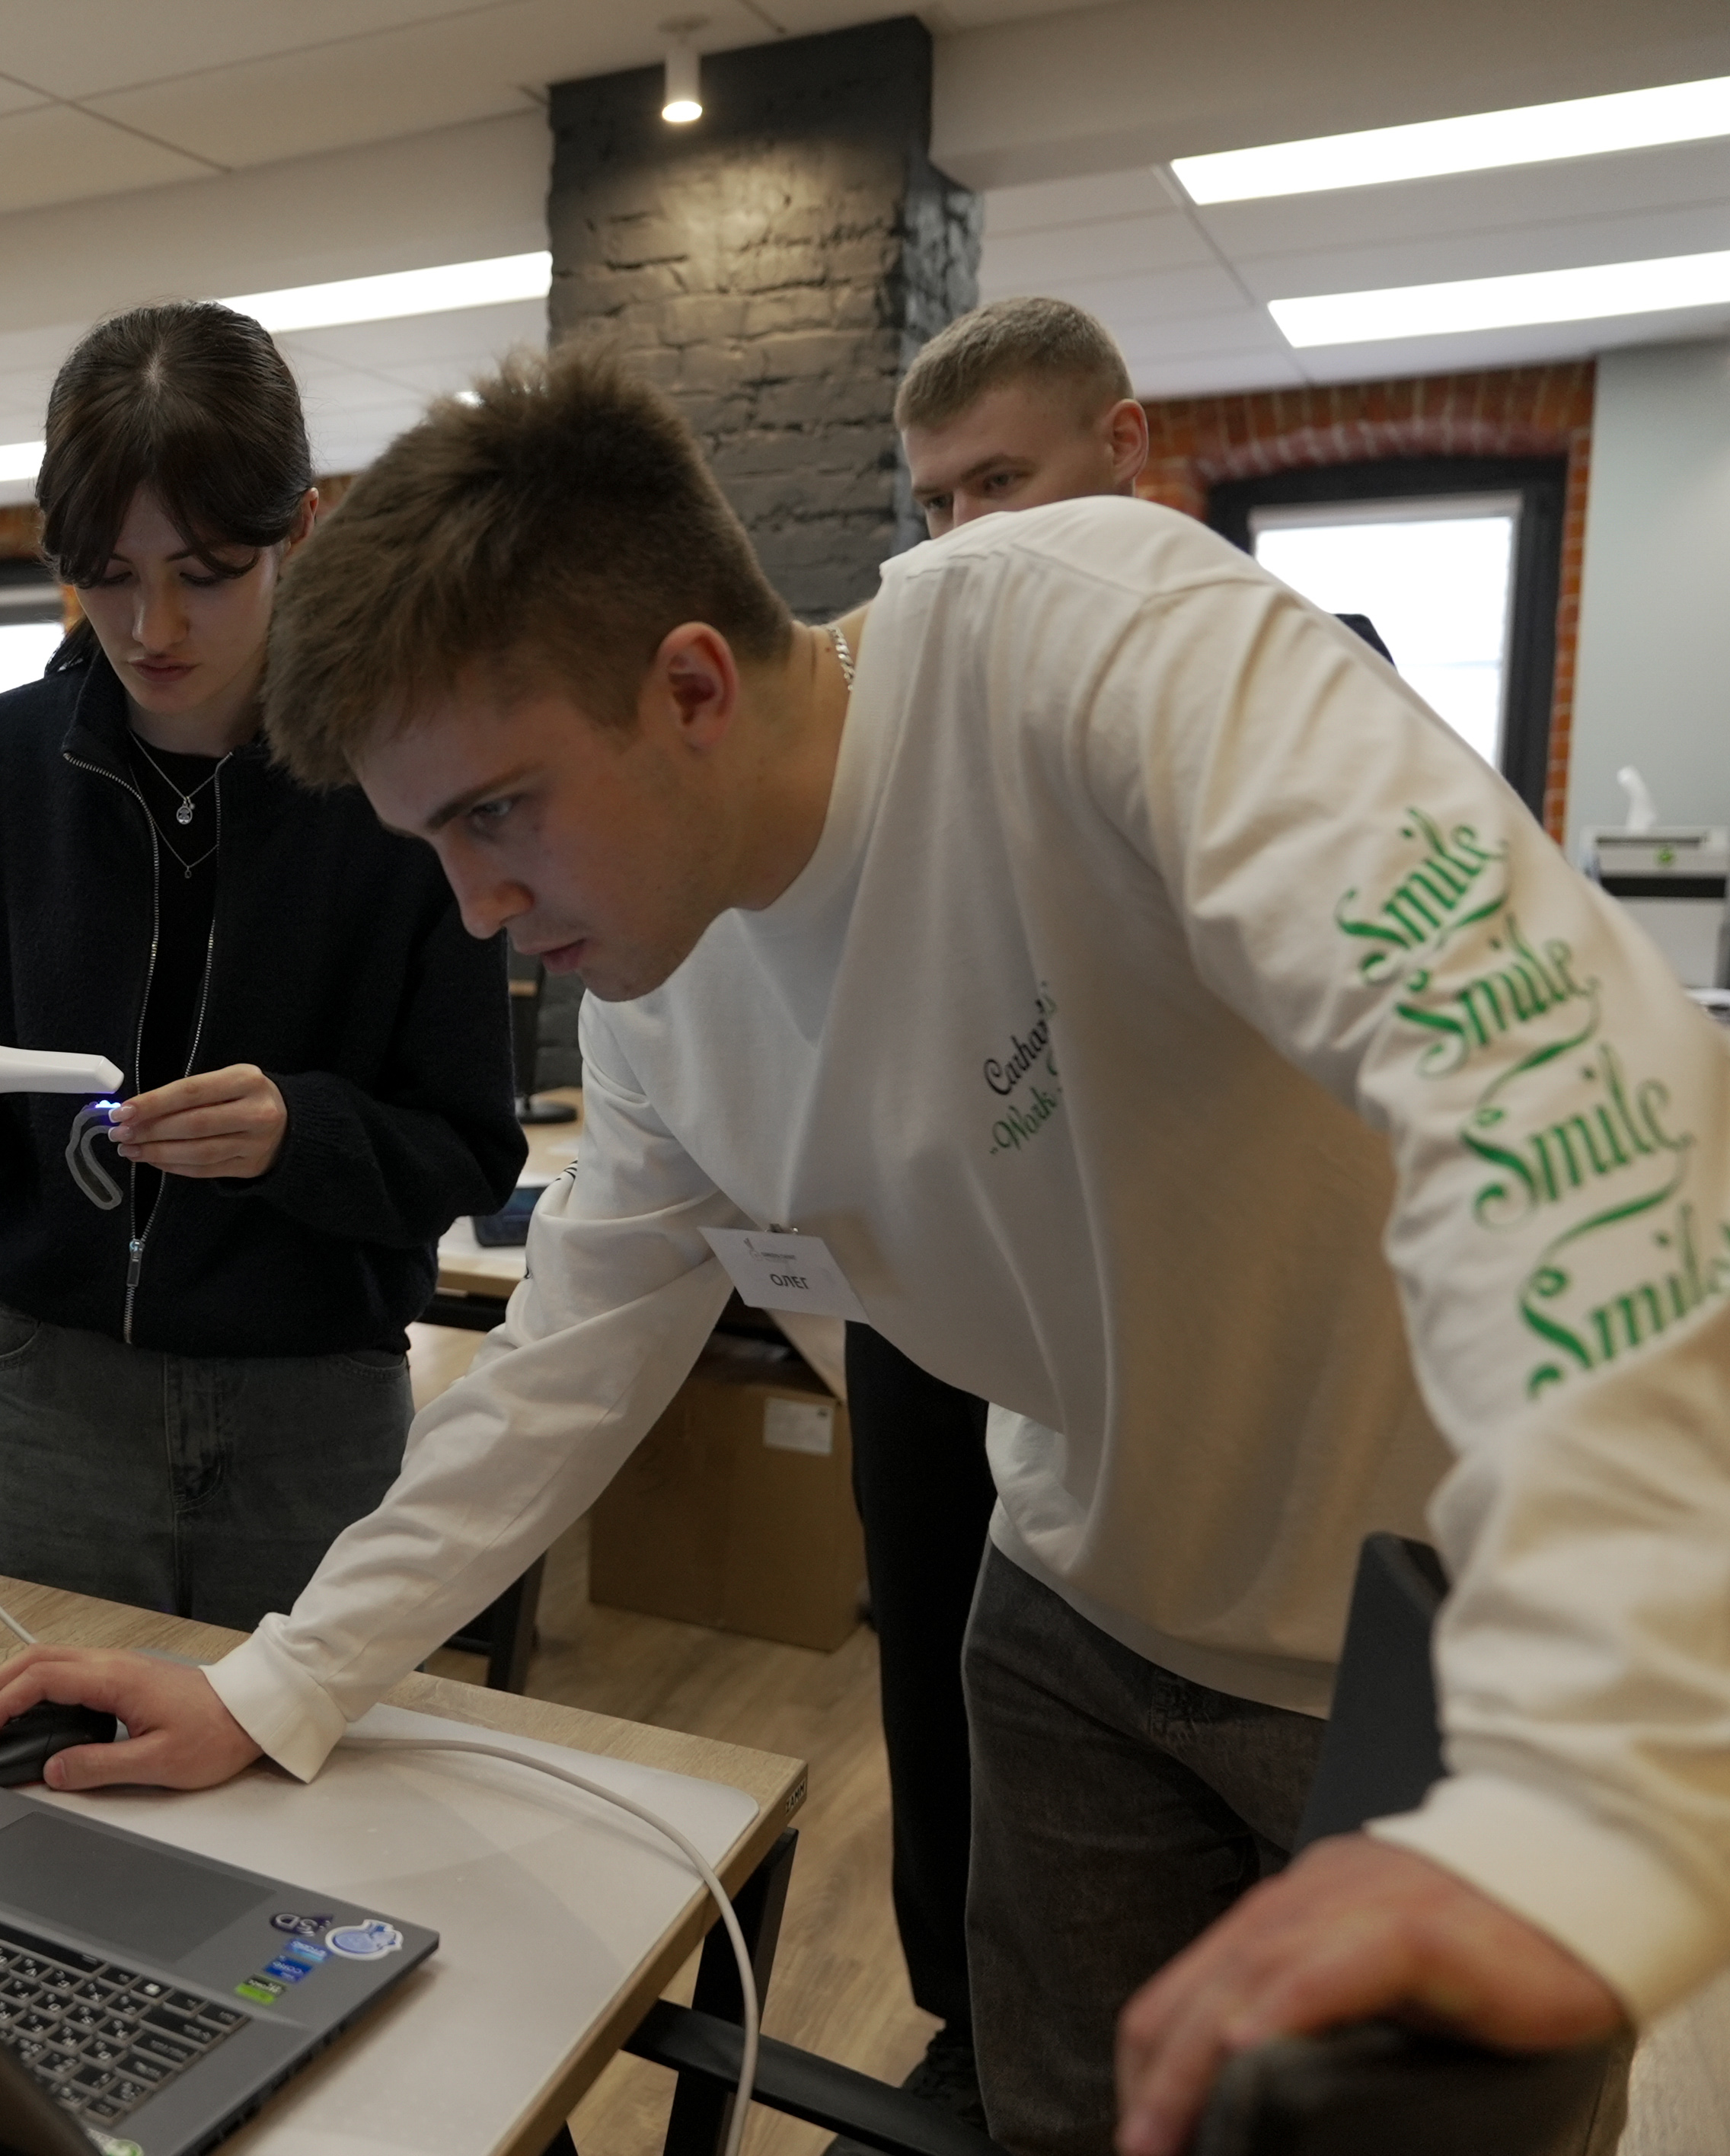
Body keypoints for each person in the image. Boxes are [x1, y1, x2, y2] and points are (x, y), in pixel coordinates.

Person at [0, 339, 1730, 2156]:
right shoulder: (653, 997)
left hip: (1431, 1626)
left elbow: (1559, 1079)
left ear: (690, 686)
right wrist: (274, 1682)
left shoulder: (1087, 639)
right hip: (1068, 1608)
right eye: (432, 844)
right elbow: (563, 1368)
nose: (474, 909)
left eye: (494, 813)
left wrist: (1578, 1761)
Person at [0, 303, 522, 1630]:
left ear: (299, 529)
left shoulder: (403, 780)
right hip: (45, 1396)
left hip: (314, 1404)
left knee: (303, 1759)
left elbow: (471, 1152)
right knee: (42, 1744)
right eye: (108, 573)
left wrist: (299, 1134)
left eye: (206, 572)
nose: (153, 627)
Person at [827, 293, 1163, 2142]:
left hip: (1142, 1298)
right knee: (933, 1641)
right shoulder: (897, 723)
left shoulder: (1261, 677)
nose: (960, 542)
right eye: (933, 504)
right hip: (937, 1289)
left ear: (1123, 451)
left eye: (999, 485)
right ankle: (968, 2016)